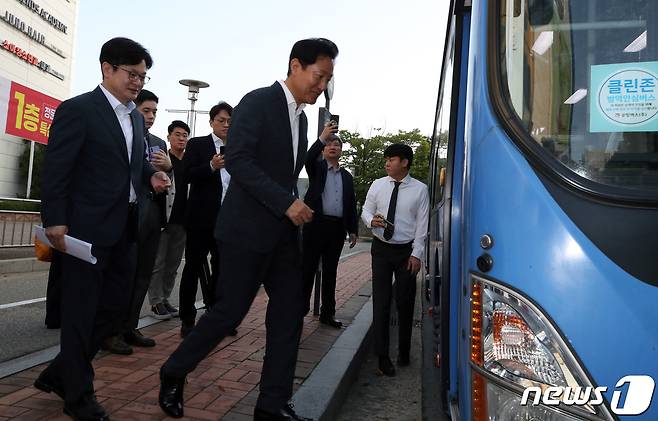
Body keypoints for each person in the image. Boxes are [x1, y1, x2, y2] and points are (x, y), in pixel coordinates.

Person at [158, 37, 338, 421]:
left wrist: (294, 203)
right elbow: (238, 161)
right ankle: (173, 371)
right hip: (244, 231)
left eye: (328, 80)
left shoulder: (302, 118)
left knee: (290, 313)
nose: (321, 87)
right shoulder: (257, 102)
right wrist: (287, 201)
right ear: (295, 66)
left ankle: (271, 405)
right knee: (229, 314)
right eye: (318, 76)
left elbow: (286, 172)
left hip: (283, 236)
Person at [34, 37, 170, 420]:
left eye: (143, 75)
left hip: (124, 227)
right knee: (80, 314)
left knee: (114, 313)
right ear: (107, 68)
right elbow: (58, 168)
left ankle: (61, 372)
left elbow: (131, 165)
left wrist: (153, 174)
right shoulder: (79, 110)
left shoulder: (133, 119)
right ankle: (78, 396)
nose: (138, 82)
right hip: (85, 231)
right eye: (132, 73)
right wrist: (55, 219)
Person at [102, 89, 172, 354]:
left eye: (155, 111)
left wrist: (168, 167)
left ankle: (130, 325)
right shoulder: (123, 135)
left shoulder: (158, 142)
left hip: (153, 212)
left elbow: (169, 176)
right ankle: (111, 331)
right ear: (134, 109)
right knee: (122, 273)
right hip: (128, 211)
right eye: (146, 110)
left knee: (144, 272)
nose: (151, 116)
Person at [361, 143, 429, 377]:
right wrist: (372, 222)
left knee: (405, 302)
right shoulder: (377, 185)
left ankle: (404, 350)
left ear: (405, 162)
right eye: (386, 160)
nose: (387, 163)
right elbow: (366, 211)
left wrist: (416, 254)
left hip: (405, 253)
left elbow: (422, 225)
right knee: (380, 302)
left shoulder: (420, 190)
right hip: (380, 250)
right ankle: (382, 357)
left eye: (391, 159)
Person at [178, 102, 232, 337]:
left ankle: (216, 315)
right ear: (211, 122)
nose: (226, 125)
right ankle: (187, 318)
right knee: (192, 267)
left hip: (228, 220)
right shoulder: (198, 144)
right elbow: (186, 175)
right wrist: (210, 166)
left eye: (230, 121)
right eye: (221, 120)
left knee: (223, 270)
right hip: (201, 219)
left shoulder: (239, 148)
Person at [302, 131, 358, 327]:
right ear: (324, 150)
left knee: (330, 271)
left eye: (337, 145)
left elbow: (351, 204)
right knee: (307, 269)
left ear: (341, 151)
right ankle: (299, 310)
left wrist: (352, 230)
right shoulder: (317, 169)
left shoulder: (347, 177)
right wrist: (321, 138)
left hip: (336, 228)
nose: (333, 147)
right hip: (315, 225)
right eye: (329, 144)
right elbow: (308, 157)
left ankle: (328, 314)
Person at [148, 120, 190, 320]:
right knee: (158, 262)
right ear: (169, 137)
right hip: (164, 219)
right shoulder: (162, 159)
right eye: (178, 134)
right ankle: (155, 302)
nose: (181, 138)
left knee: (173, 265)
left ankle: (165, 298)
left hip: (182, 221)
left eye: (185, 135)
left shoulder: (189, 161)